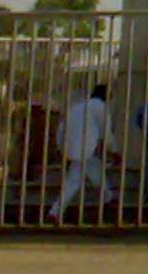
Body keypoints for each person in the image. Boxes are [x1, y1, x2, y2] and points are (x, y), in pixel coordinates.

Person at [46, 83, 113, 221]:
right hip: (86, 148)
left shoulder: (78, 107)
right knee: (82, 177)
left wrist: (60, 146)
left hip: (72, 147)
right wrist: (114, 150)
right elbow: (106, 132)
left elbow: (62, 127)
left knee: (84, 175)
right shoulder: (100, 107)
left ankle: (108, 197)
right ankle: (108, 199)